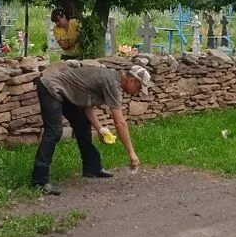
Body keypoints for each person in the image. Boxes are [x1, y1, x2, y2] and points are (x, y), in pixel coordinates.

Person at [31, 64, 152, 195]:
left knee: (83, 124)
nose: (138, 91)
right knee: (54, 132)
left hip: (63, 92)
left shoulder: (111, 78)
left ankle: (91, 167)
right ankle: (39, 181)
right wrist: (132, 153)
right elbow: (120, 123)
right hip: (50, 87)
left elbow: (87, 106)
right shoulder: (112, 84)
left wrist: (100, 129)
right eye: (139, 87)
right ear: (132, 80)